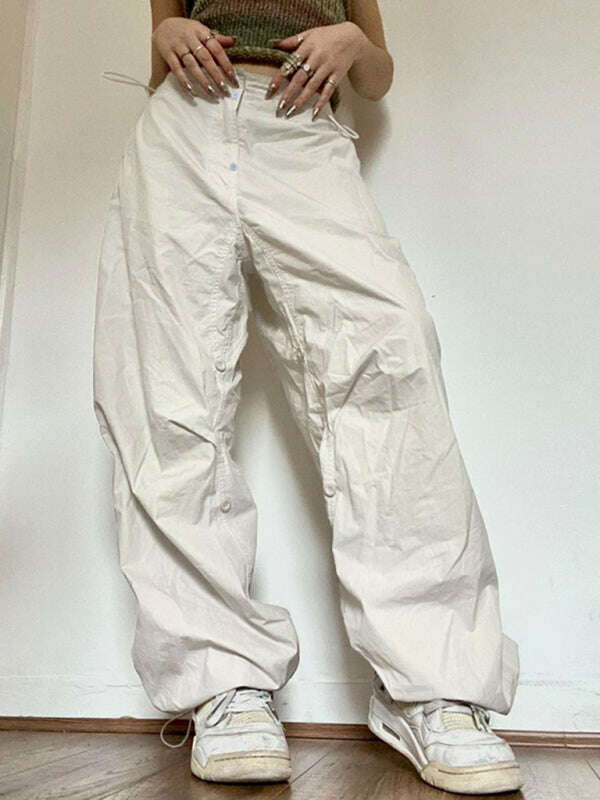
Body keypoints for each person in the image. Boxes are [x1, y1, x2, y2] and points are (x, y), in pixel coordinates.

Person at [93, 0, 523, 794]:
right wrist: (167, 33)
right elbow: (161, 54)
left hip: (302, 131)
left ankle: (432, 686)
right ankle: (222, 682)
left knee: (391, 361)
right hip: (183, 129)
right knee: (167, 394)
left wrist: (352, 40)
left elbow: (377, 74)